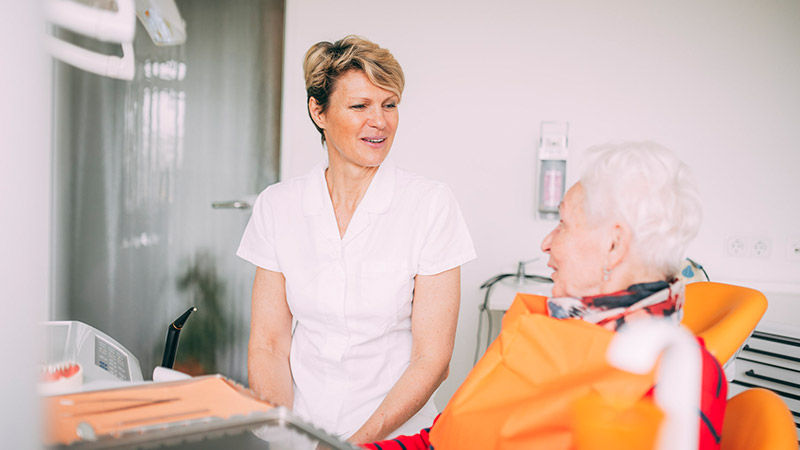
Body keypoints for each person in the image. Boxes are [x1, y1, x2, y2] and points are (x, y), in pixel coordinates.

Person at [364, 142, 726, 450]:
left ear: (614, 245)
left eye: (564, 224)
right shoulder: (545, 325)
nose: (546, 244)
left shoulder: (676, 379)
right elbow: (445, 438)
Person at [236, 35, 476, 443]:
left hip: (393, 434)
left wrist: (356, 444)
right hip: (302, 429)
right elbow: (269, 344)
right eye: (360, 106)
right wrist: (285, 434)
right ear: (319, 111)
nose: (379, 121)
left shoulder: (430, 204)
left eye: (390, 104)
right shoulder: (278, 206)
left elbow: (431, 359)